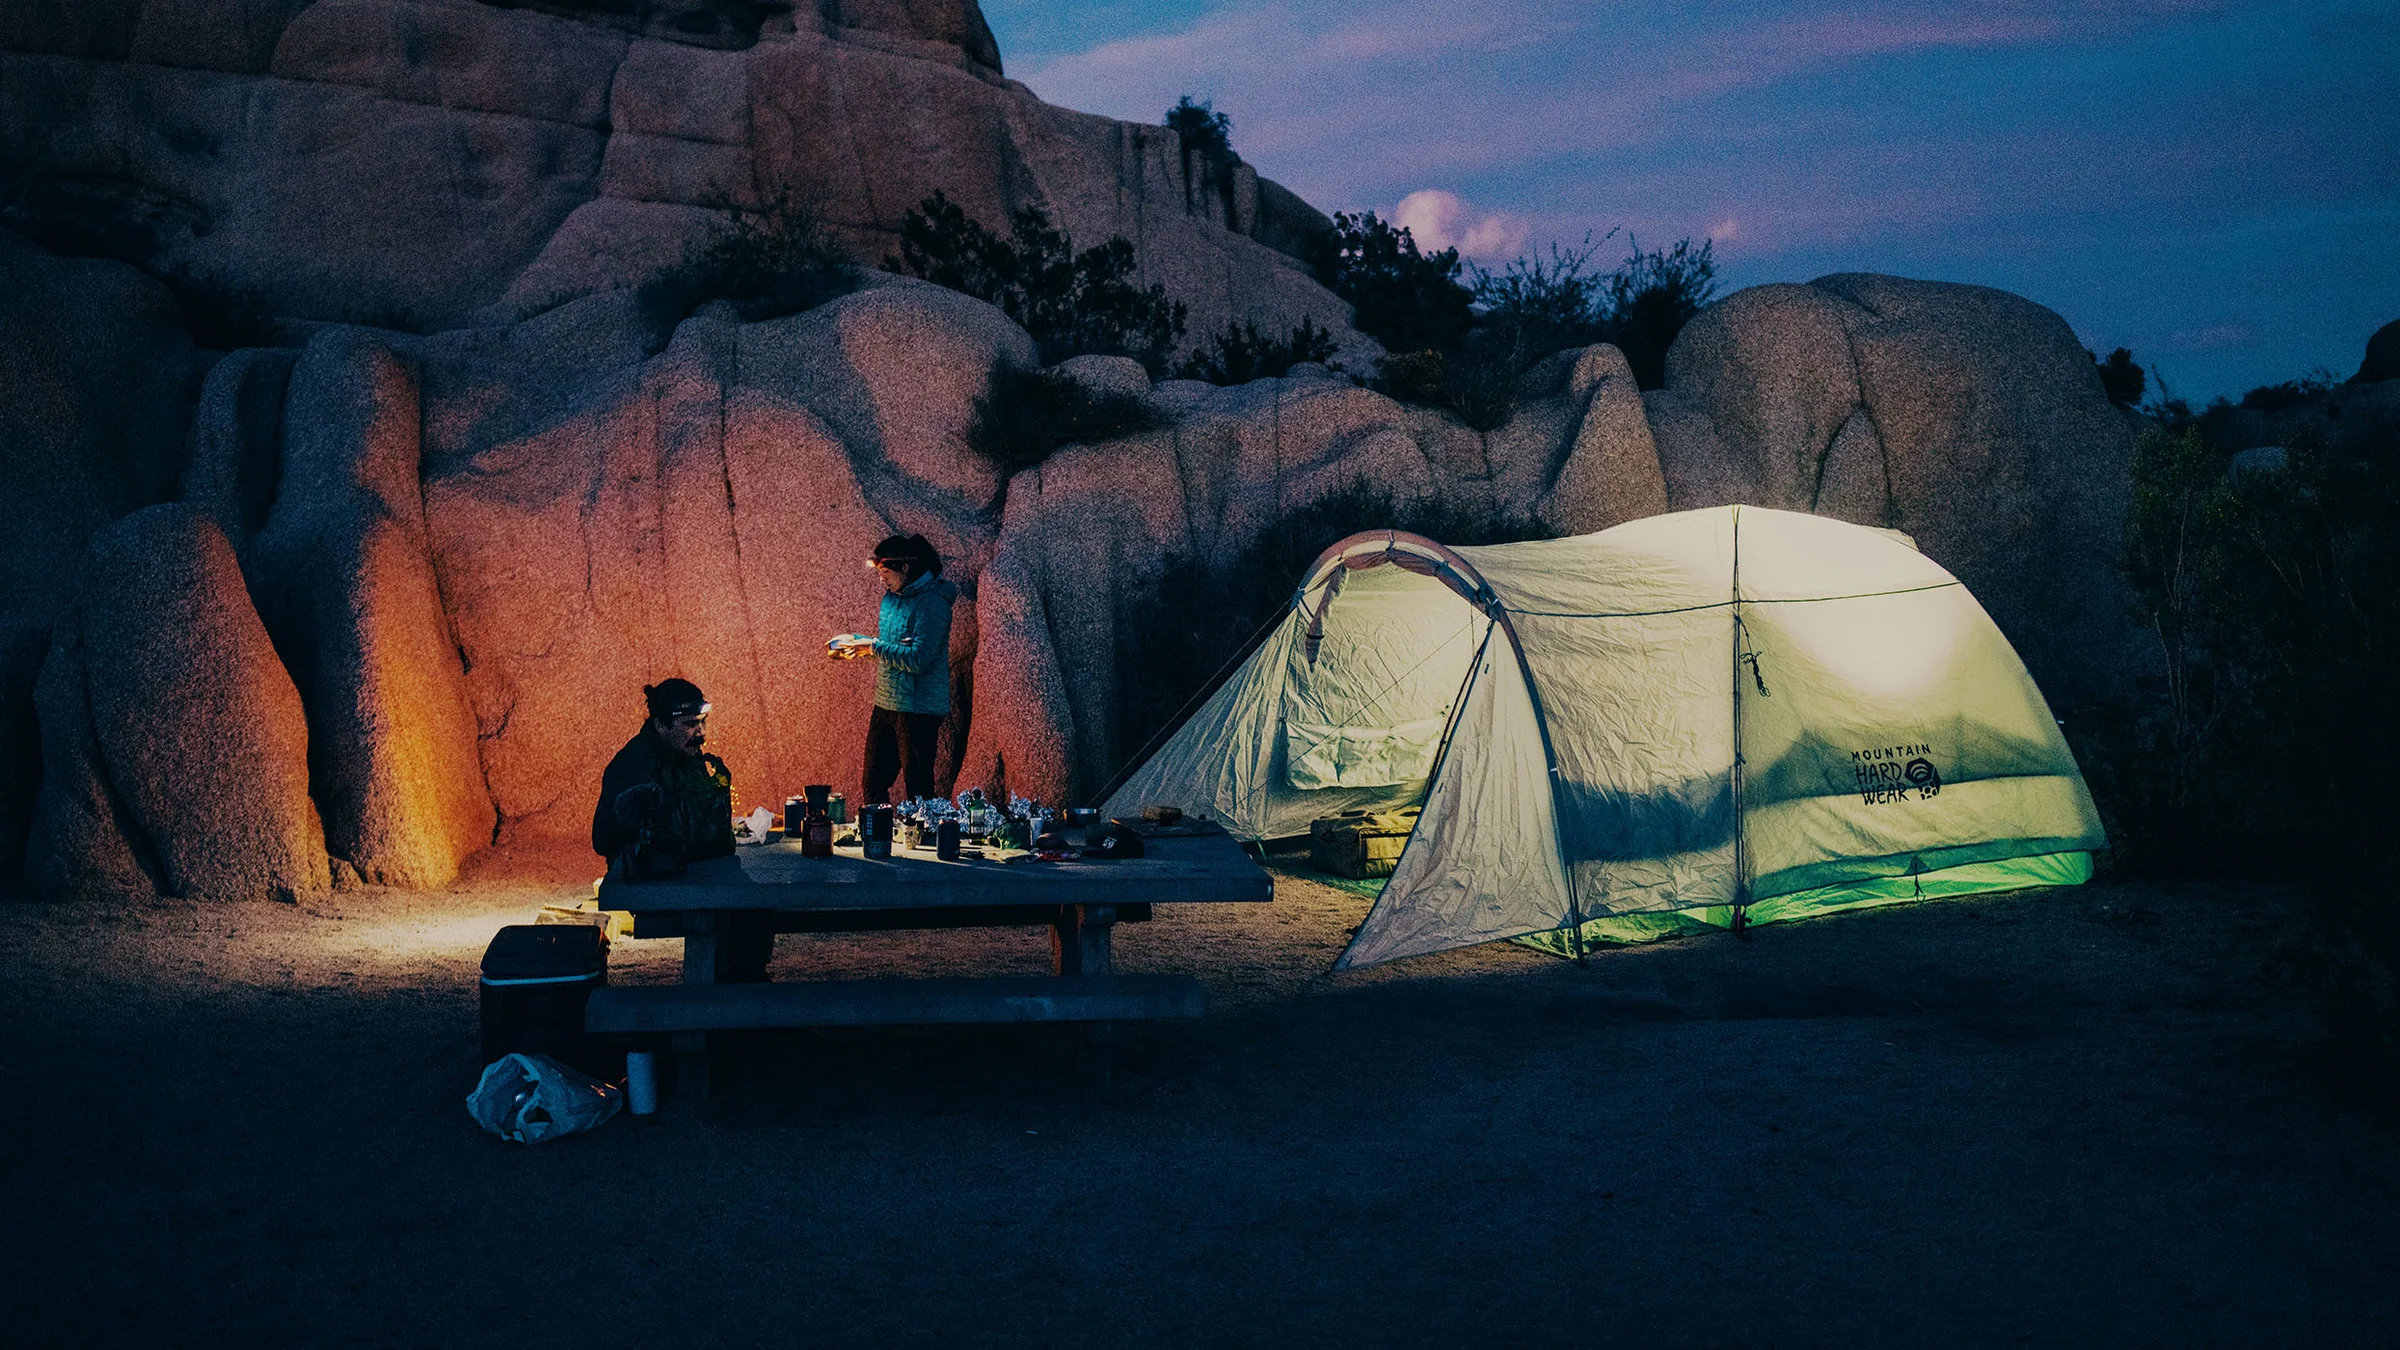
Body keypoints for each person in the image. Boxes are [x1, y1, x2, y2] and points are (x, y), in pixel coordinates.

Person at [591, 678, 769, 979]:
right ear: (660, 725)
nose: (700, 733)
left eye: (702, 722)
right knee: (742, 903)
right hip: (654, 878)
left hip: (692, 866)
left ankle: (740, 988)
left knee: (757, 899)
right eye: (689, 724)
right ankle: (734, 995)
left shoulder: (684, 753)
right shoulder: (634, 766)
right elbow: (602, 839)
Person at [831, 534, 956, 805]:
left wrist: (874, 647)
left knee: (918, 786)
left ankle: (926, 840)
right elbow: (892, 650)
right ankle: (879, 841)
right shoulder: (890, 600)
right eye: (878, 573)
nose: (881, 579)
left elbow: (919, 658)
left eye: (885, 572)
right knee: (873, 782)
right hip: (886, 704)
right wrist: (860, 648)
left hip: (919, 708)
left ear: (905, 568)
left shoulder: (932, 604)